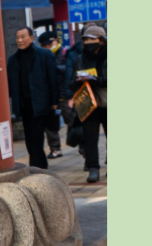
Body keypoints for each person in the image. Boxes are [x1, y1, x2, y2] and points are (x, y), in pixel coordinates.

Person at [7, 26, 59, 169]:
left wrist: (55, 102)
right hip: (24, 105)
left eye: (23, 37)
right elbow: (10, 84)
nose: (20, 40)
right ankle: (39, 165)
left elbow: (53, 79)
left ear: (31, 38)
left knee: (36, 137)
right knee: (29, 139)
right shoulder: (13, 59)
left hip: (41, 103)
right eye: (17, 37)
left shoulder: (44, 55)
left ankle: (36, 166)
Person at [64, 24, 107, 183]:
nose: (89, 43)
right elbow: (70, 82)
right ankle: (93, 168)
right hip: (88, 104)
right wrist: (78, 81)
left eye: (92, 39)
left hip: (107, 102)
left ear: (101, 40)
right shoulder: (80, 58)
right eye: (86, 40)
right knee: (90, 138)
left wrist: (97, 80)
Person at [38, 31, 71, 159]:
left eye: (49, 44)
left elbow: (69, 69)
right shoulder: (42, 56)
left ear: (55, 41)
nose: (47, 47)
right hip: (51, 97)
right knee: (51, 125)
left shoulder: (65, 53)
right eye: (44, 45)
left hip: (65, 95)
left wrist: (54, 68)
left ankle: (82, 145)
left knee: (73, 122)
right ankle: (55, 149)